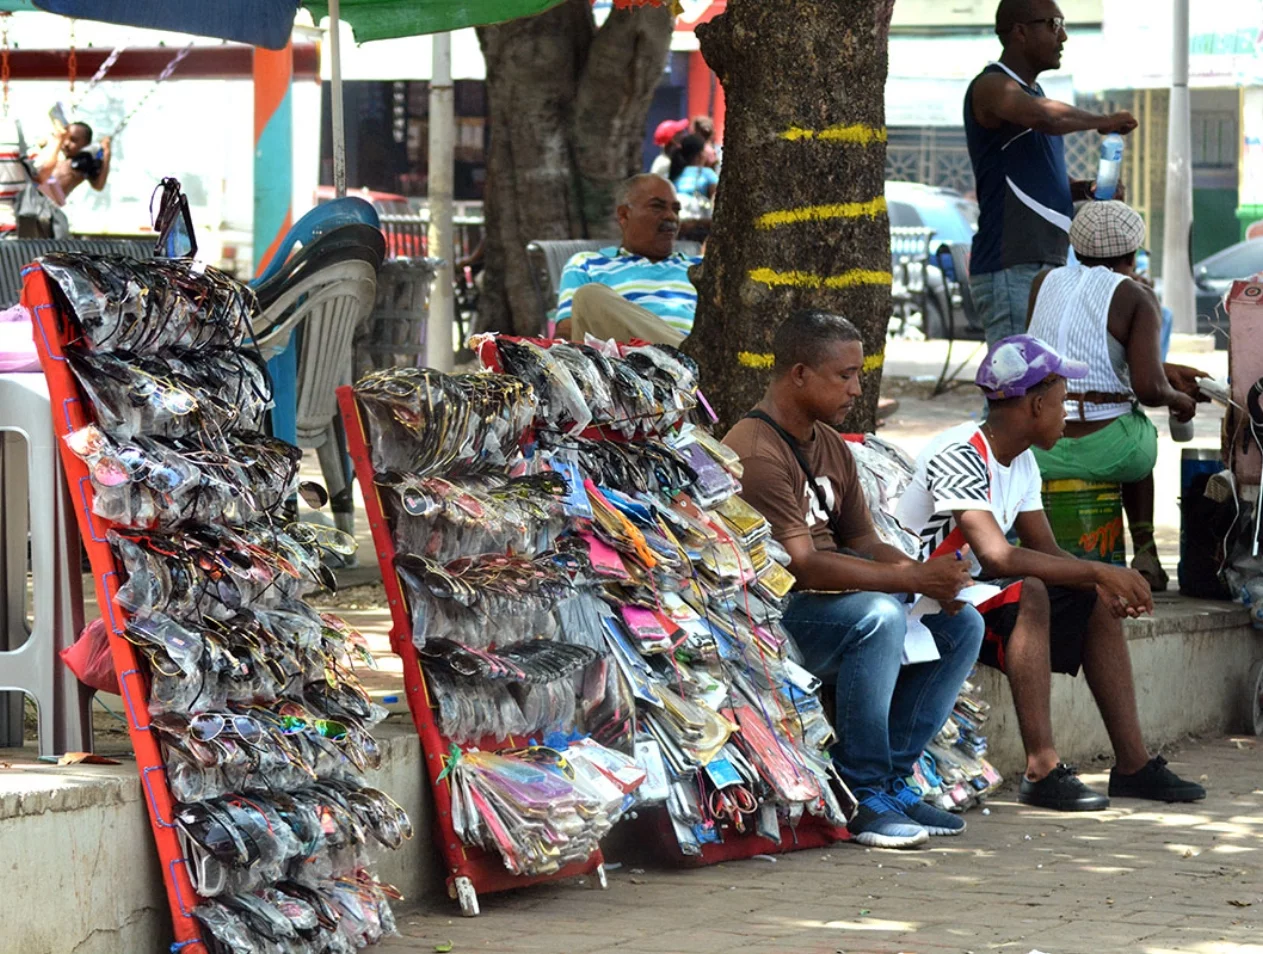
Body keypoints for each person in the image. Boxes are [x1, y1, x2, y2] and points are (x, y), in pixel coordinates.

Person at [895, 335, 1206, 811]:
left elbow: (1045, 549)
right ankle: (1041, 768)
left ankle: (1133, 766)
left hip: (968, 595)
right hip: (921, 602)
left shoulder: (1020, 463)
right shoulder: (959, 450)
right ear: (1036, 404)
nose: (1068, 412)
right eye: (1063, 400)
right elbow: (997, 556)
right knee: (1034, 590)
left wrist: (1103, 583)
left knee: (1088, 596)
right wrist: (1101, 571)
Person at [723, 309, 984, 849]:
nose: (856, 388)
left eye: (857, 374)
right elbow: (802, 563)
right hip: (779, 616)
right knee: (878, 617)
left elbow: (861, 539)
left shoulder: (829, 443)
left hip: (837, 600)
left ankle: (893, 779)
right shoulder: (756, 449)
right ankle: (862, 793)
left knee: (963, 625)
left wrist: (926, 582)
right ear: (799, 374)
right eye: (844, 375)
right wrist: (906, 578)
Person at [1026, 201, 1209, 590]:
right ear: (1133, 252)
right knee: (1140, 436)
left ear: (1076, 248)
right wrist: (1181, 401)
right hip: (1106, 452)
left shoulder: (1045, 281)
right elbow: (1148, 389)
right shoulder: (1137, 296)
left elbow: (1050, 355)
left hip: (1038, 448)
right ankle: (1145, 553)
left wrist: (1166, 372)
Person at [965, 0, 1138, 347]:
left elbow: (1038, 179)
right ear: (1020, 32)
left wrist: (1086, 189)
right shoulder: (993, 86)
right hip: (1012, 265)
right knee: (1016, 389)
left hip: (1046, 264)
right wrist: (1101, 121)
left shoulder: (1034, 95)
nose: (1064, 36)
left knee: (1040, 388)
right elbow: (1046, 118)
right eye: (1054, 24)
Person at [554, 174, 700, 347]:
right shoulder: (586, 264)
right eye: (657, 207)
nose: (671, 217)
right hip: (624, 368)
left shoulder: (698, 267)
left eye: (676, 210)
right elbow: (568, 332)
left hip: (693, 363)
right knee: (589, 296)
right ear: (624, 215)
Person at [36, 121, 111, 206]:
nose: (66, 143)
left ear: (86, 145)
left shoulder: (81, 164)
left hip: (46, 206)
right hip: (34, 198)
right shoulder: (59, 159)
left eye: (73, 140)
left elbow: (98, 185)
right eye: (65, 138)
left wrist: (106, 154)